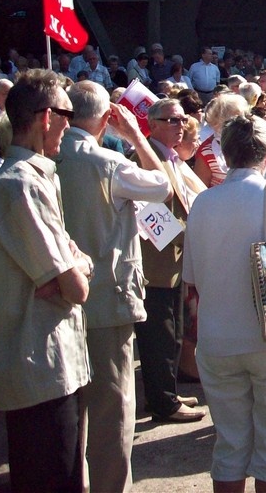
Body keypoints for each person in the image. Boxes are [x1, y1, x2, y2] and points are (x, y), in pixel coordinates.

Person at [183, 114, 266, 493]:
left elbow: (191, 278)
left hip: (217, 338)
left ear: (226, 154)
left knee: (229, 443)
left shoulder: (203, 201)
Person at [0, 69, 93, 492]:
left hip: (48, 367)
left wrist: (72, 270)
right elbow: (76, 287)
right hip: (39, 370)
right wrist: (72, 273)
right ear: (47, 117)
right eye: (67, 113)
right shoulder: (20, 185)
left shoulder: (34, 178)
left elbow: (74, 271)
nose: (71, 121)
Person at [57, 80, 172, 492]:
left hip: (57, 296)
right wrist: (136, 135)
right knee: (111, 407)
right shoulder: (106, 162)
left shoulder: (47, 155)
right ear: (107, 118)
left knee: (71, 407)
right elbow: (162, 187)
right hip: (106, 296)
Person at [134, 98, 207, 423]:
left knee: (175, 331)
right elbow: (151, 217)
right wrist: (189, 237)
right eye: (173, 121)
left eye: (182, 120)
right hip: (156, 266)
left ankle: (168, 392)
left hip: (176, 264)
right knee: (159, 334)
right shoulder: (142, 158)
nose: (181, 126)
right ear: (155, 124)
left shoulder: (173, 159)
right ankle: (162, 402)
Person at [194, 94, 249, 187]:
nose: (244, 122)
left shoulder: (248, 142)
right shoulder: (206, 151)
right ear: (219, 121)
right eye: (237, 119)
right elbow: (200, 190)